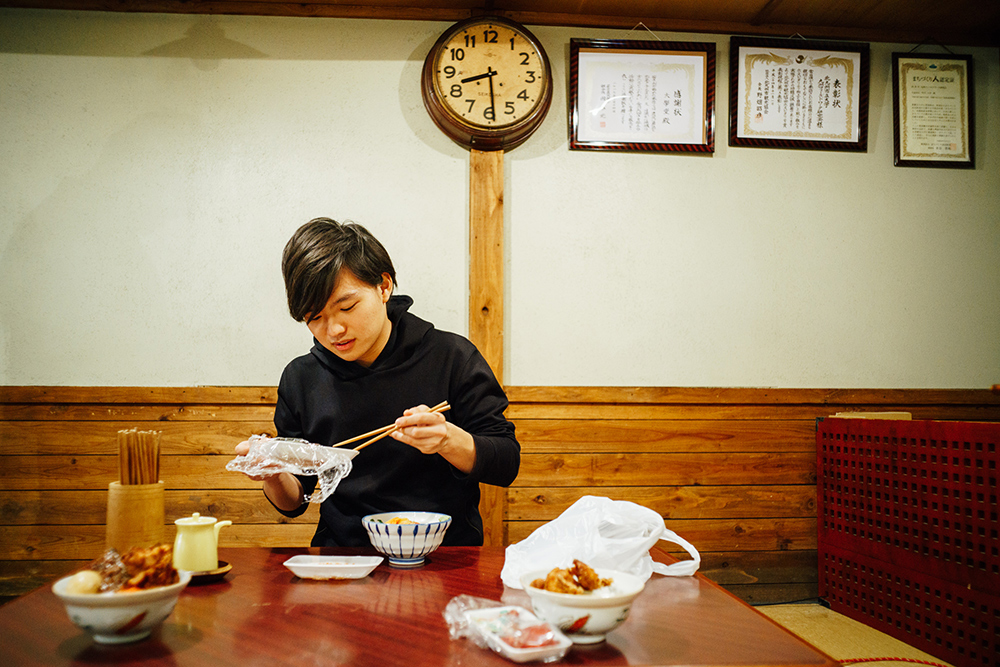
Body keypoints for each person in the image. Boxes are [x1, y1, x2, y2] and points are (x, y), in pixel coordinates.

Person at [234, 217, 520, 546]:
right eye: (315, 318)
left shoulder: (451, 357)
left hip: (445, 557)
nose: (334, 330)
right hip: (344, 558)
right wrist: (272, 472)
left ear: (384, 287)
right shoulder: (302, 379)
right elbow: (294, 501)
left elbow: (506, 463)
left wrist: (447, 440)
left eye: (346, 307)